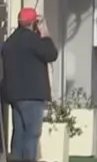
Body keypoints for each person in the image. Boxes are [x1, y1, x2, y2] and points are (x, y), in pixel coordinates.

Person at [1, 8, 57, 162]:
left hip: (14, 96)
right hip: (32, 96)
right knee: (32, 134)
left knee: (18, 133)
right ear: (34, 23)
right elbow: (52, 54)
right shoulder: (34, 40)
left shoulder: (10, 41)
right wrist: (45, 33)